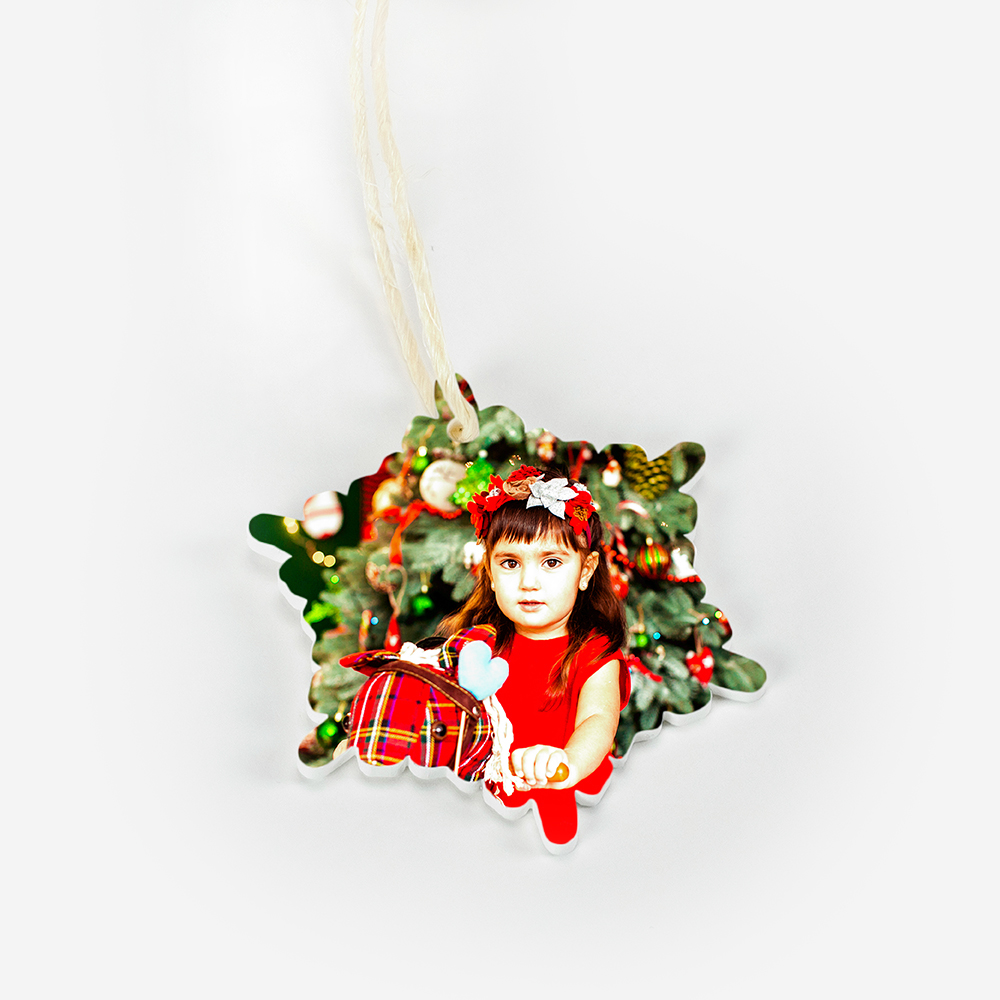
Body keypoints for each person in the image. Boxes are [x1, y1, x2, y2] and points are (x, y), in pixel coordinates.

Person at [438, 464, 628, 851]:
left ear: (586, 570)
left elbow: (598, 720)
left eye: (551, 562)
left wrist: (568, 762)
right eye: (510, 563)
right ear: (490, 572)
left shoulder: (594, 652)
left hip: (564, 796)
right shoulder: (476, 645)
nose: (529, 582)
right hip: (486, 804)